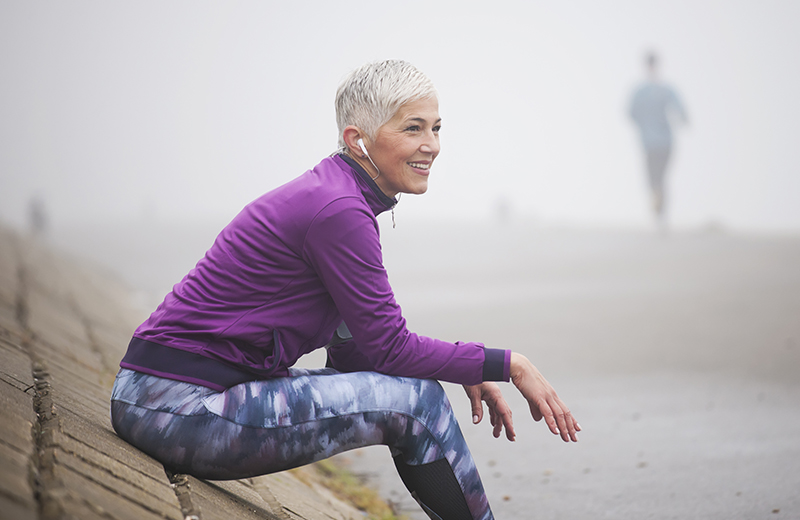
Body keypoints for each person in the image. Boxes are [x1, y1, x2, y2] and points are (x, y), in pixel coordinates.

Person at [110, 59, 580, 520]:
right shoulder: (338, 210)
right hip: (177, 408)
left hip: (162, 396)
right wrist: (506, 364)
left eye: (437, 128)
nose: (432, 145)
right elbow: (391, 349)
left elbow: (361, 352)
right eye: (413, 128)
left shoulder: (335, 196)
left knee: (413, 390)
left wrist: (465, 366)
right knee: (420, 403)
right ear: (358, 140)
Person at [629, 51, 688, 228]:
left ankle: (658, 210)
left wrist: (643, 124)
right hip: (665, 141)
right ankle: (661, 215)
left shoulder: (640, 92)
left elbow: (630, 113)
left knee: (654, 179)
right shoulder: (666, 90)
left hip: (650, 142)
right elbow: (682, 113)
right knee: (661, 179)